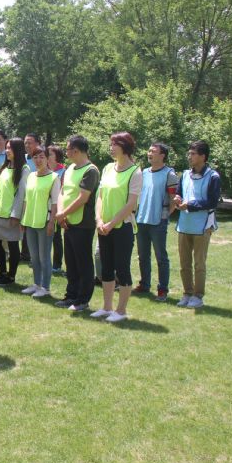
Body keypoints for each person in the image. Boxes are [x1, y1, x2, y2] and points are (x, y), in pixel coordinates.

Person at [90, 132, 142, 322]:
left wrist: (112, 223)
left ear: (125, 147)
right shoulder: (107, 168)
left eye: (114, 144)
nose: (111, 148)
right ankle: (106, 307)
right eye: (110, 144)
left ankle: (121, 311)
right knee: (106, 268)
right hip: (104, 227)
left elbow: (131, 204)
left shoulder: (135, 172)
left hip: (122, 227)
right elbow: (100, 196)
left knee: (122, 268)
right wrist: (99, 220)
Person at [55, 135, 100, 312]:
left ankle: (82, 299)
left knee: (83, 263)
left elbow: (83, 198)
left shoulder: (91, 171)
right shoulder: (69, 169)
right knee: (71, 262)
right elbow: (62, 192)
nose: (66, 152)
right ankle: (71, 295)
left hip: (83, 224)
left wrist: (63, 214)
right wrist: (61, 214)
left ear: (76, 150)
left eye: (67, 149)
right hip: (68, 222)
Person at [174, 140, 220, 309]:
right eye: (189, 153)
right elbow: (179, 193)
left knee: (199, 264)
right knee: (184, 263)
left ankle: (198, 296)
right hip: (184, 224)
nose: (189, 156)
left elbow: (212, 202)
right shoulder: (185, 174)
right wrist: (178, 199)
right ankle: (187, 293)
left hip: (202, 226)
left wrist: (191, 205)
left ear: (203, 156)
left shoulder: (213, 177)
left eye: (193, 154)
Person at [133, 142, 178, 301]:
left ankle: (162, 290)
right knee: (142, 255)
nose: (149, 153)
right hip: (141, 220)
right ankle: (144, 285)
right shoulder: (144, 173)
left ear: (162, 155)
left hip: (158, 222)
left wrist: (164, 216)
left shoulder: (169, 174)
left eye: (153, 151)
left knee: (161, 257)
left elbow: (173, 200)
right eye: (149, 151)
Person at [20, 146, 60, 298]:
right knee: (34, 257)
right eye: (35, 157)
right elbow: (26, 199)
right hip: (30, 221)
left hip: (44, 222)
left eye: (41, 157)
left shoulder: (54, 178)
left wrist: (51, 222)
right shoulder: (31, 176)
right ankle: (36, 284)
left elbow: (55, 203)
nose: (38, 160)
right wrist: (23, 219)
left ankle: (45, 287)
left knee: (44, 257)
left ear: (47, 159)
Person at [0, 137, 29, 285]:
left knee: (13, 246)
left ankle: (11, 276)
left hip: (11, 215)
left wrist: (16, 214)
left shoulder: (24, 169)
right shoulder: (4, 167)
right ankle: (2, 271)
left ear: (18, 150)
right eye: (6, 148)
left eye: (10, 148)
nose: (7, 151)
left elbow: (22, 194)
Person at [48, 145, 66, 275]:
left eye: (50, 154)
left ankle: (57, 264)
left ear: (57, 156)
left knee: (56, 236)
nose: (47, 156)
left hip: (57, 208)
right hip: (45, 207)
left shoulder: (63, 171)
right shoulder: (45, 170)